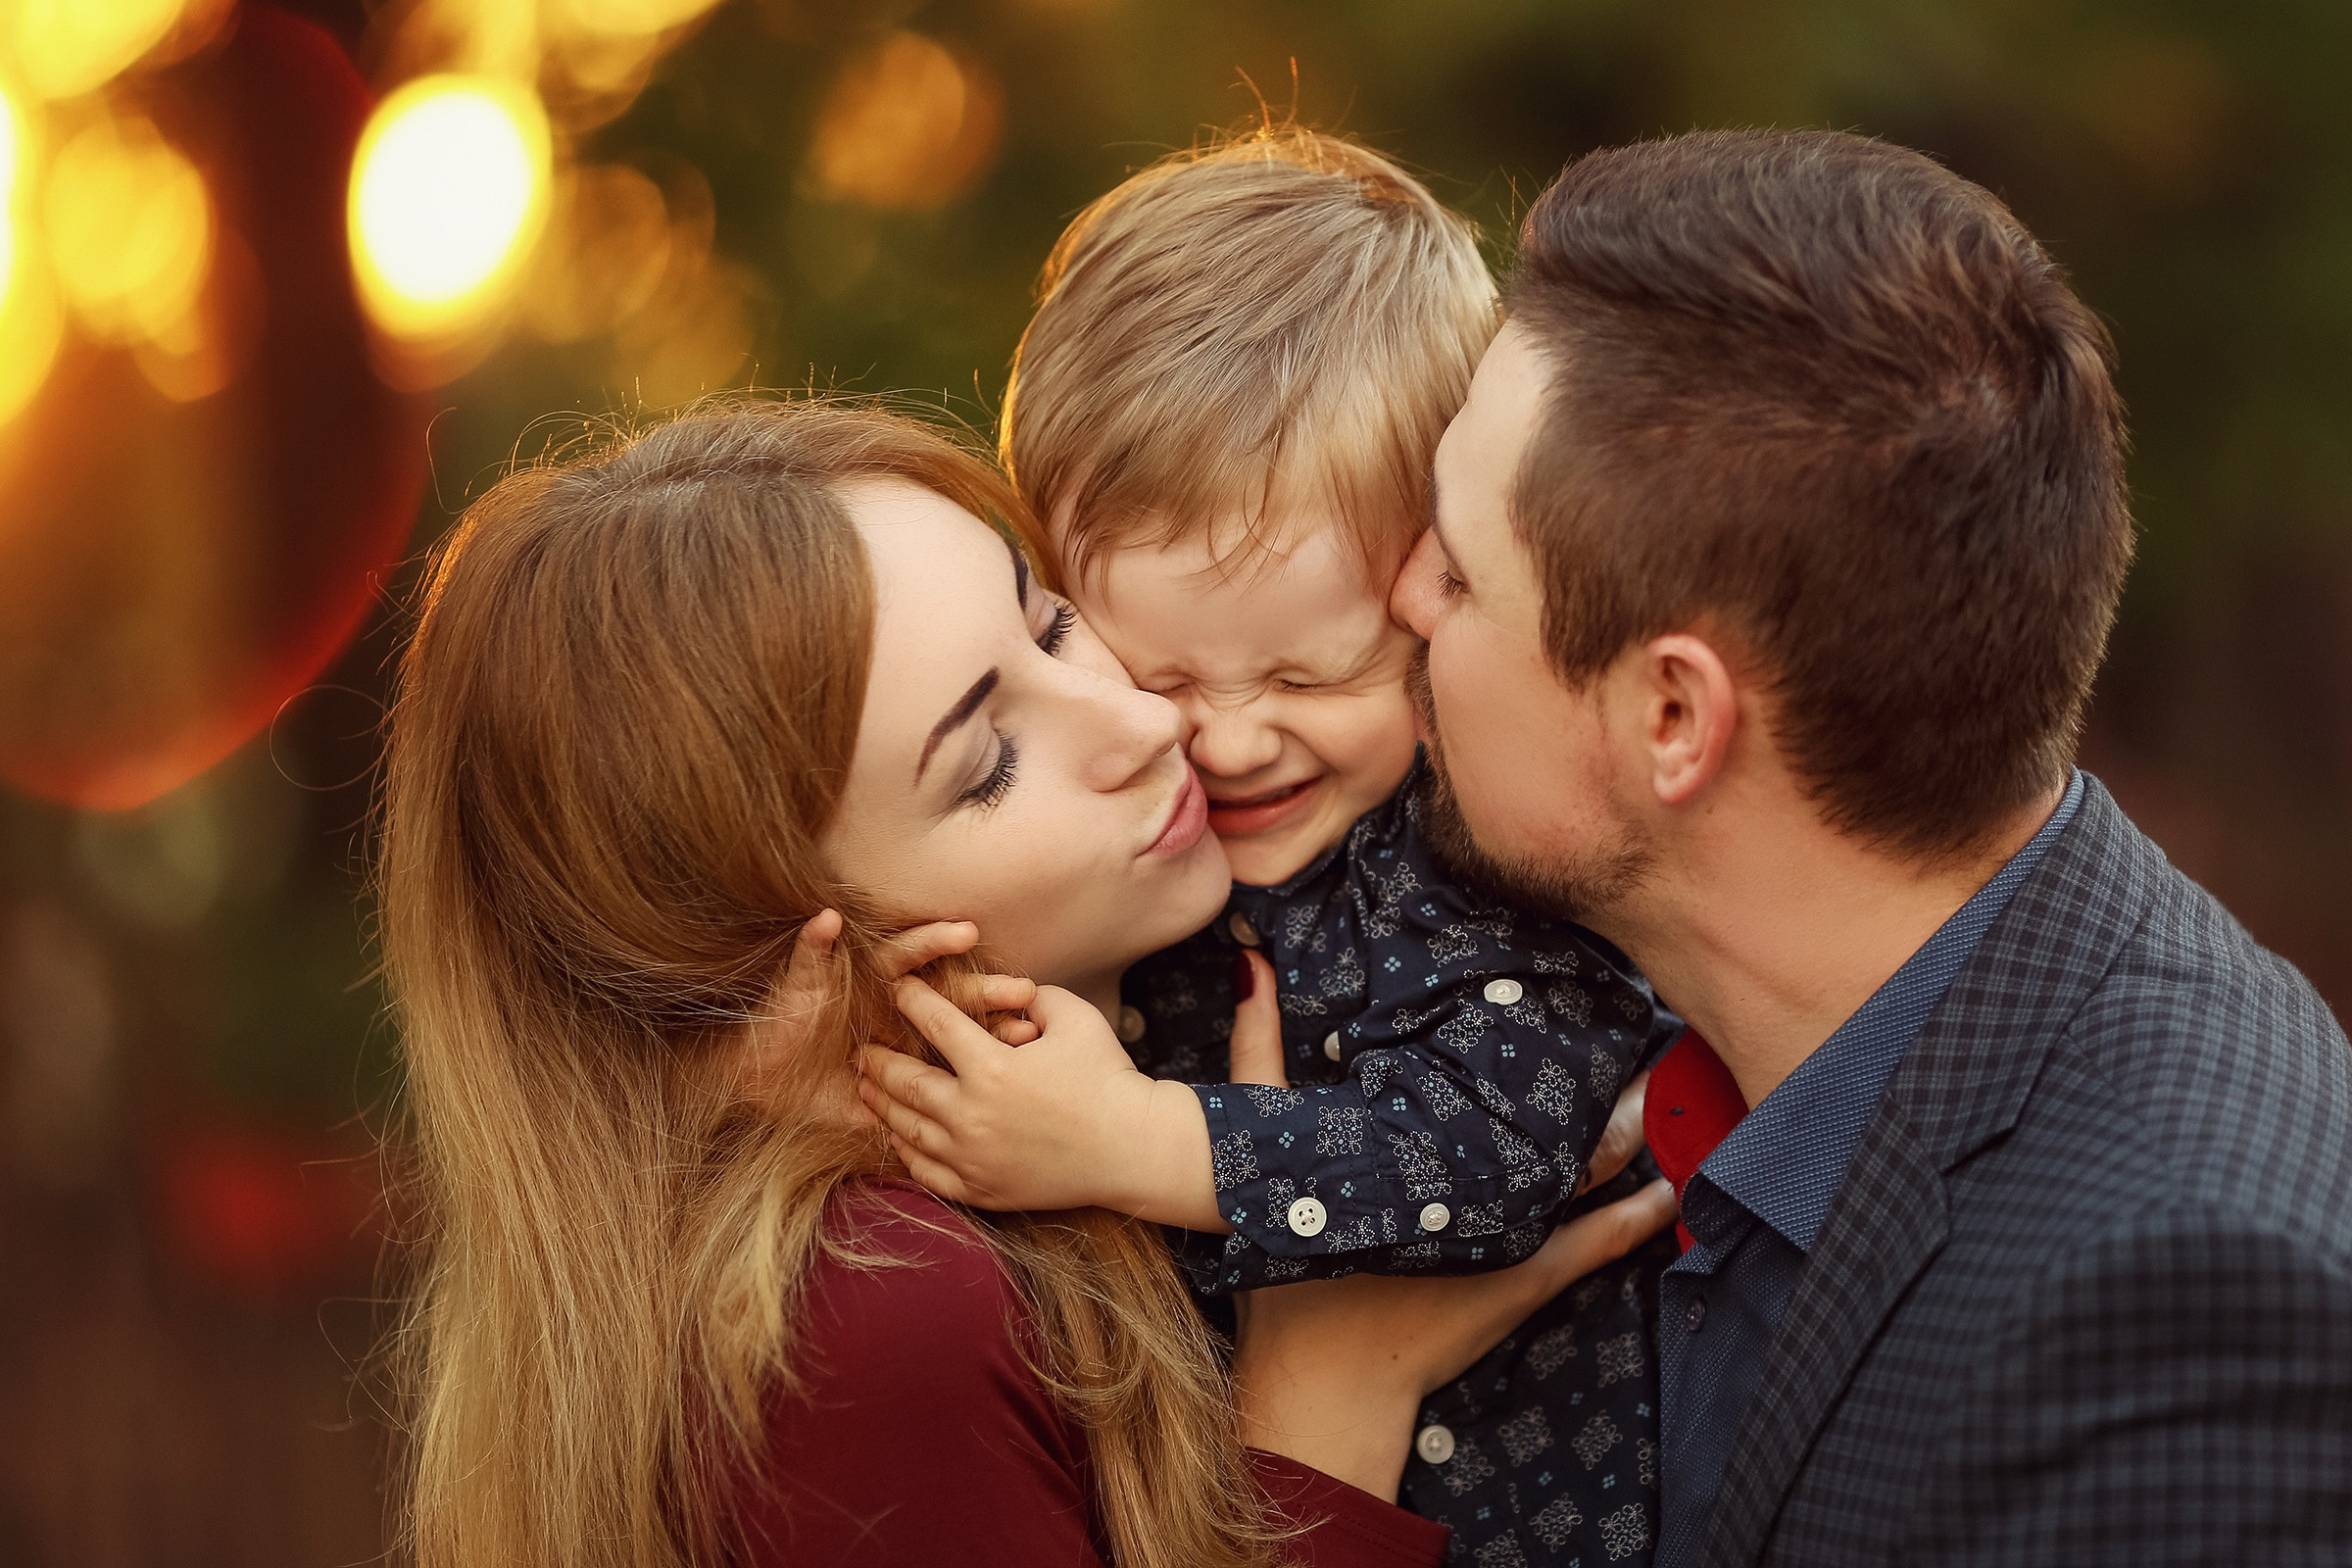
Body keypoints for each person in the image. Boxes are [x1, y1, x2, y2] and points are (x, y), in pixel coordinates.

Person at [374, 399, 1676, 1568]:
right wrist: (1329, 1405)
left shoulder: (1176, 1043)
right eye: (988, 759)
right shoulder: (880, 1316)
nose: (1149, 722)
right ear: (776, 967)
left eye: (1053, 621)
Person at [1389, 128, 2352, 1566]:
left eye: (1459, 570)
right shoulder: (1692, 1032)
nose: (1400, 595)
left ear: (1673, 716)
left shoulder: (2181, 1339)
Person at [859, 128, 1680, 1568]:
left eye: (1311, 680)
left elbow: (1494, 1152)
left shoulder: (1479, 861)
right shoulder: (1139, 876)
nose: (1230, 743)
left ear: (1442, 591)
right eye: (1158, 675)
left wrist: (1126, 1142)